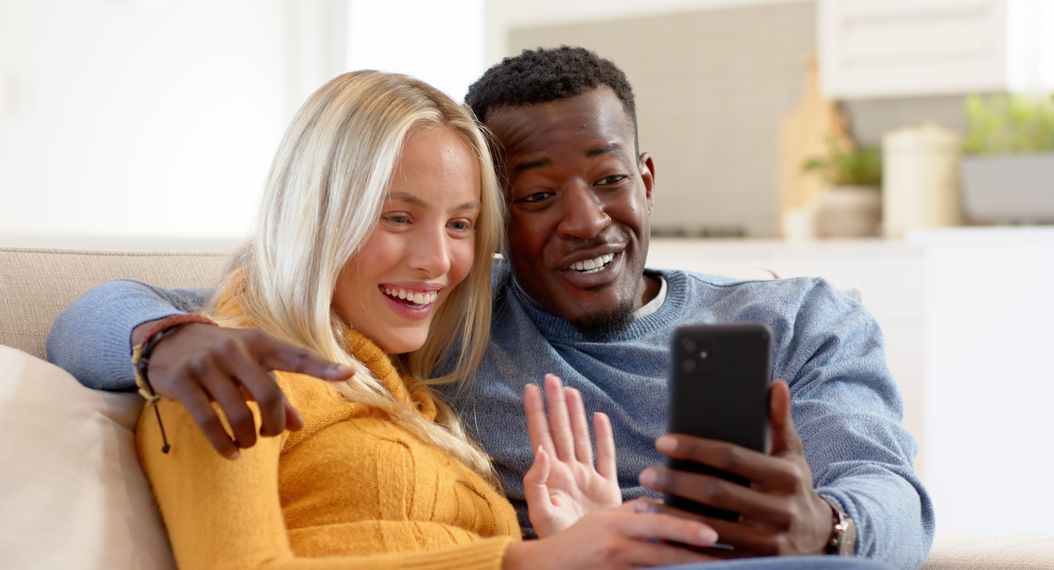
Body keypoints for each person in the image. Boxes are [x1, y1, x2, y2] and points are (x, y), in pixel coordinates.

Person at [49, 48, 933, 567]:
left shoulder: (799, 320)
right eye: (539, 195)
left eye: (610, 178)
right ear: (508, 219)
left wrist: (830, 525)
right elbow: (102, 314)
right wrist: (162, 340)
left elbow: (900, 503)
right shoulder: (444, 324)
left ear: (647, 178)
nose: (589, 221)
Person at [107, 69, 724, 569]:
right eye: (398, 217)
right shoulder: (226, 370)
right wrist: (526, 561)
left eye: (460, 224)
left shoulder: (411, 394)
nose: (439, 262)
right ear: (314, 217)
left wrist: (572, 543)